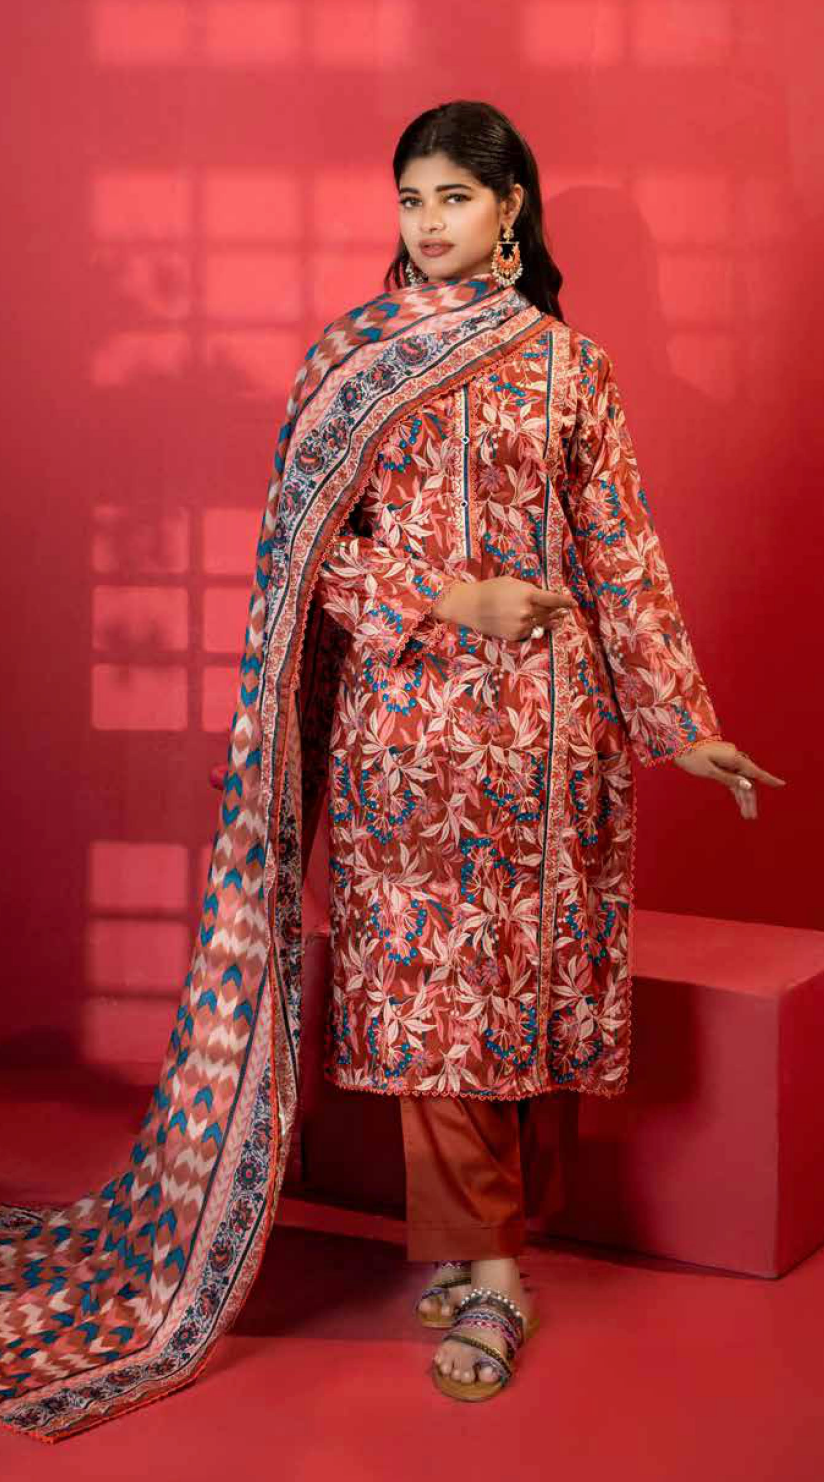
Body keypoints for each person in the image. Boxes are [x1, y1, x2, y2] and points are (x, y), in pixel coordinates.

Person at [0, 101, 785, 1440]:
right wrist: (448, 600)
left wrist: (679, 721)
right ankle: (489, 1277)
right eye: (411, 197)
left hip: (553, 743)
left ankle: (490, 1243)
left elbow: (621, 552)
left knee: (527, 998)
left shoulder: (572, 369)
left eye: (454, 198)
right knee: (437, 1001)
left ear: (511, 208)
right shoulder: (351, 358)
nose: (427, 222)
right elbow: (306, 552)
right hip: (408, 739)